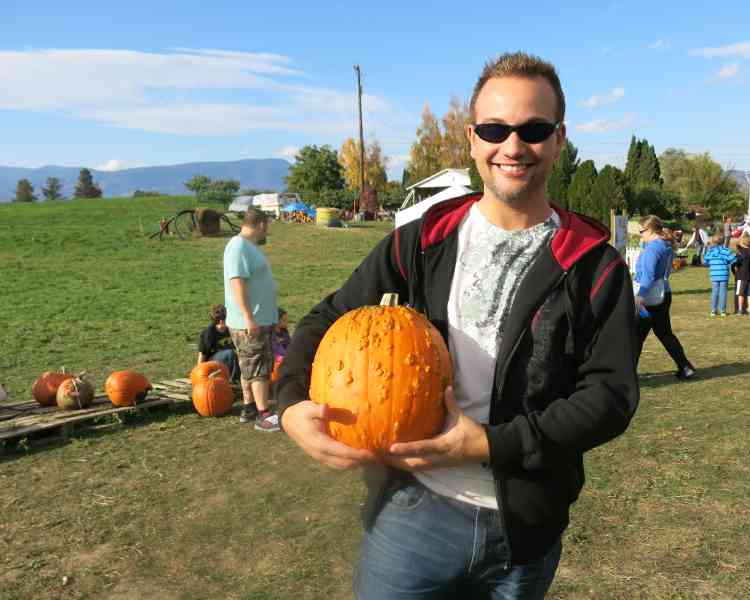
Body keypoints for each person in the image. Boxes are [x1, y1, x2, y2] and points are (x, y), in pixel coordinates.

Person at [276, 52, 639, 599]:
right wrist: (287, 407)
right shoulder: (423, 240)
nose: (513, 146)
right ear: (472, 139)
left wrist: (492, 444)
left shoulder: (593, 263)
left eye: (533, 129)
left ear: (559, 139)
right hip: (413, 513)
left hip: (526, 526)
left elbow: (610, 396)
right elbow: (329, 317)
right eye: (495, 129)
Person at [224, 206, 279, 432]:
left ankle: (249, 408)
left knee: (249, 364)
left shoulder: (247, 246)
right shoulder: (238, 246)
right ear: (261, 224)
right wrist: (249, 318)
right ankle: (264, 416)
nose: (267, 231)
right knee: (258, 368)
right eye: (267, 227)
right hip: (249, 321)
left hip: (258, 318)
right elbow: (237, 283)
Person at [635, 215, 696, 379]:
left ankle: (626, 374)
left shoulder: (652, 249)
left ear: (649, 229)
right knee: (665, 334)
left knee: (635, 336)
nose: (640, 235)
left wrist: (640, 297)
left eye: (641, 231)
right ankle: (685, 367)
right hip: (663, 293)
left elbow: (648, 276)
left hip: (648, 297)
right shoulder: (666, 246)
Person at [197, 304, 240, 381]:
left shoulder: (232, 329)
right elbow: (202, 354)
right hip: (213, 361)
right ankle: (234, 381)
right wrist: (199, 374)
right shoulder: (208, 333)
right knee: (231, 353)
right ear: (221, 321)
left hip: (230, 360)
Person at [702, 235, 737, 317]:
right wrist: (727, 263)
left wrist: (711, 263)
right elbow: (733, 260)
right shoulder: (726, 251)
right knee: (723, 293)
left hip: (714, 275)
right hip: (724, 274)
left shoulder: (710, 252)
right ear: (723, 242)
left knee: (714, 292)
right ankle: (722, 311)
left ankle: (713, 311)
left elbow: (705, 261)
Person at [733, 234, 750, 316]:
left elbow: (735, 263)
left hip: (741, 276)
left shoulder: (740, 253)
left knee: (740, 294)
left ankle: (740, 309)